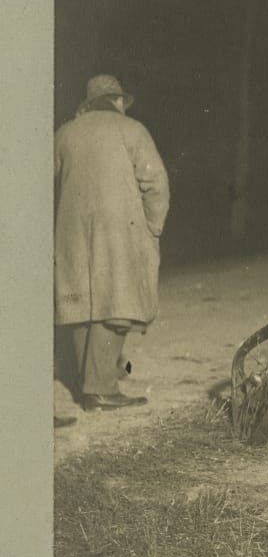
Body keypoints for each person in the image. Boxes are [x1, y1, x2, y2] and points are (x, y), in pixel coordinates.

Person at [54, 75, 170, 411]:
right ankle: (101, 388)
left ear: (88, 104)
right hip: (118, 228)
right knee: (118, 302)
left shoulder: (65, 133)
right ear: (117, 101)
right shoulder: (133, 130)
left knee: (79, 303)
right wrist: (152, 226)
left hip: (71, 231)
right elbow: (156, 184)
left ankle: (88, 384)